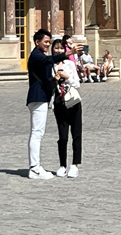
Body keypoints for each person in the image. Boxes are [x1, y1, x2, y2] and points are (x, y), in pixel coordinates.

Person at [26, 29, 78, 180]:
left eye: (49, 42)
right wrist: (66, 54)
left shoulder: (39, 55)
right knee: (37, 133)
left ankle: (35, 167)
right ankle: (34, 168)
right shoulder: (36, 55)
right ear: (37, 42)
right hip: (38, 97)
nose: (48, 45)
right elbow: (48, 60)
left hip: (41, 96)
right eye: (46, 42)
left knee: (37, 132)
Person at [51, 39, 82, 178]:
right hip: (59, 102)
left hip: (73, 101)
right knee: (62, 137)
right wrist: (54, 80)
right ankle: (62, 165)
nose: (58, 50)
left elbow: (77, 84)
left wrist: (67, 77)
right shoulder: (50, 65)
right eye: (55, 48)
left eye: (60, 48)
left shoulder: (70, 64)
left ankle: (75, 164)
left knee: (76, 134)